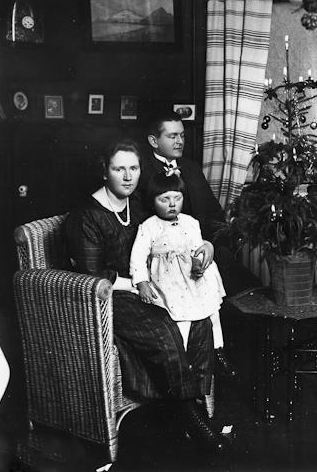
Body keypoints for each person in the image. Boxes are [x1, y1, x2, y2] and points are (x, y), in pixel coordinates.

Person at [64, 139, 226, 452]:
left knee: (199, 319)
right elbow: (93, 275)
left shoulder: (139, 206)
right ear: (104, 171)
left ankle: (195, 409)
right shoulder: (86, 216)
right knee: (163, 328)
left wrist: (205, 246)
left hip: (153, 286)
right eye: (119, 169)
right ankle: (193, 420)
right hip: (109, 297)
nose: (128, 176)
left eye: (134, 168)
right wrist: (139, 284)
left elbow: (175, 233)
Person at [137, 110, 262, 295]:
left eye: (182, 135)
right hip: (168, 259)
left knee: (250, 289)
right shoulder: (142, 174)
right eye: (172, 136)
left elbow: (214, 213)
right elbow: (146, 227)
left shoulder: (192, 168)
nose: (180, 141)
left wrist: (211, 245)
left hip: (205, 250)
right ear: (154, 141)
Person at [130, 172, 227, 364]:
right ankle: (182, 358)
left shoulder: (190, 222)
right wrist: (142, 283)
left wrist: (200, 263)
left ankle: (219, 351)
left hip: (195, 279)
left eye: (177, 198)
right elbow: (138, 257)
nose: (172, 204)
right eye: (164, 199)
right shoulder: (149, 227)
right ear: (153, 202)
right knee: (182, 319)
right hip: (170, 281)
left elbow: (197, 248)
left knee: (212, 312)